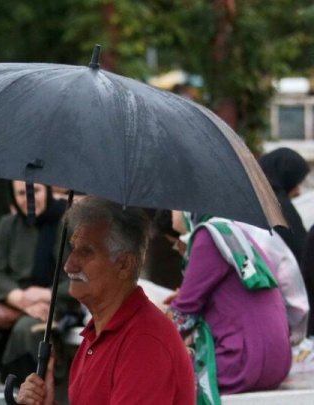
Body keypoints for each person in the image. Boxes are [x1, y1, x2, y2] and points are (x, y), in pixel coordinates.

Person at [16, 197, 195, 405]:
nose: (69, 265)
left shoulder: (145, 342)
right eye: (74, 248)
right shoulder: (98, 330)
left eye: (86, 251)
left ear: (124, 265)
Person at [0, 181, 79, 381]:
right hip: (13, 300)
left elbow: (80, 279)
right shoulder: (8, 225)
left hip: (55, 303)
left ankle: (18, 394)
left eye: (36, 191)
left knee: (27, 330)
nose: (29, 200)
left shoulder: (68, 225)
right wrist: (21, 299)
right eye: (22, 193)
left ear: (48, 191)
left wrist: (46, 294)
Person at [166, 211, 291, 398]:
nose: (171, 214)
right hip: (278, 365)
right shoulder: (232, 232)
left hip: (240, 363)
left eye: (172, 207)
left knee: (155, 373)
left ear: (186, 208)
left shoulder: (207, 237)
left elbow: (182, 315)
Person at [258, 147, 310, 261]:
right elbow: (302, 251)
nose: (297, 191)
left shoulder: (250, 200)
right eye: (294, 183)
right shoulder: (279, 208)